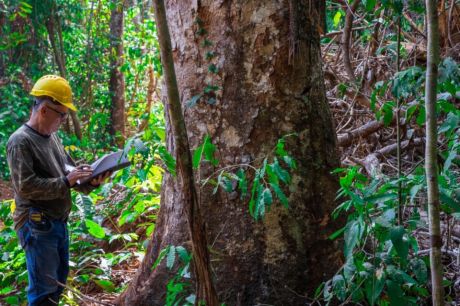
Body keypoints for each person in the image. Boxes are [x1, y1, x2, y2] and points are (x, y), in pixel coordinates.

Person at [6, 75, 111, 306]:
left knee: (57, 286)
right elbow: (26, 186)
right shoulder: (20, 141)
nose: (63, 120)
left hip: (57, 223)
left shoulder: (52, 137)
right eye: (61, 114)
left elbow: (67, 170)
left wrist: (89, 180)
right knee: (44, 292)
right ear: (44, 110)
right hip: (37, 224)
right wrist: (67, 181)